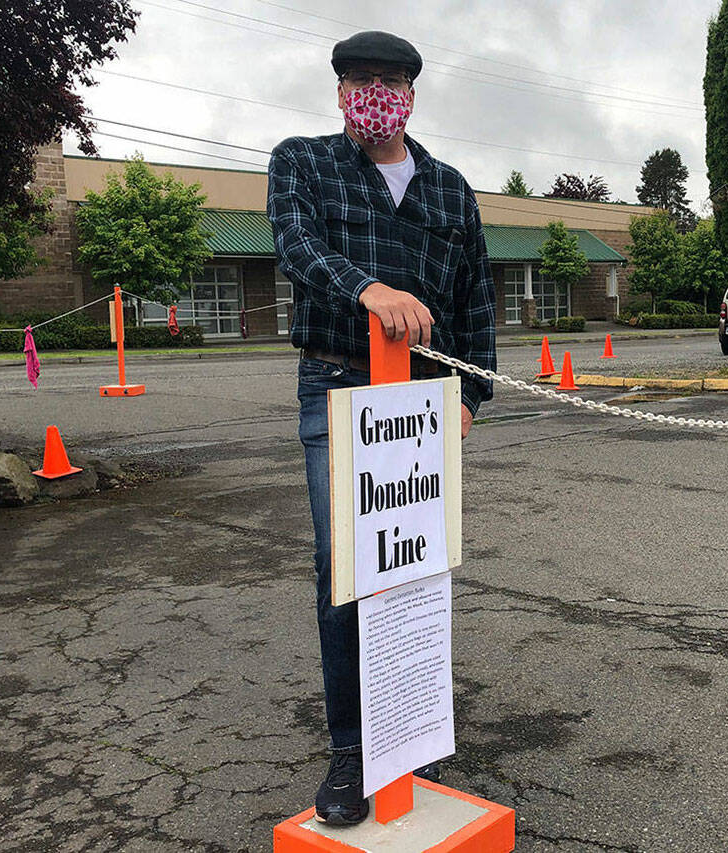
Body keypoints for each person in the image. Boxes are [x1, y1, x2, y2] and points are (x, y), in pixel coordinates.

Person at [267, 30, 497, 826]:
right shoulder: (303, 163)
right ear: (340, 93)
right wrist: (368, 288)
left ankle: (408, 732)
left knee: (413, 565)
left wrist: (470, 397)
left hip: (425, 401)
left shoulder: (450, 190)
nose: (376, 93)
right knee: (345, 568)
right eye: (360, 80)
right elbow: (296, 246)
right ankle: (352, 747)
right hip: (339, 384)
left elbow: (475, 301)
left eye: (390, 81)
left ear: (411, 94)